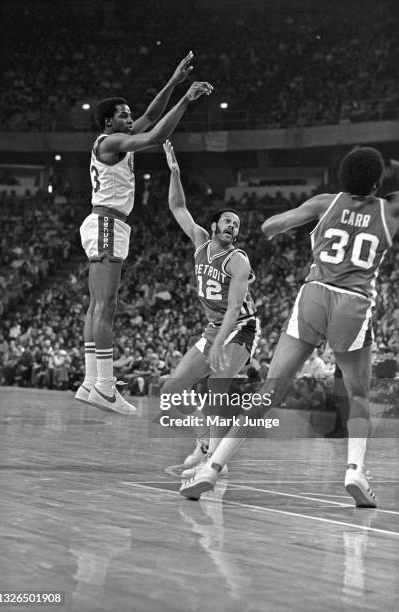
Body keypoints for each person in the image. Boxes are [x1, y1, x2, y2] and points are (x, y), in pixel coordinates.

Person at [180, 146, 399, 507]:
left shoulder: (324, 202)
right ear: (377, 181)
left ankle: (212, 469)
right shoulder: (389, 209)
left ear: (342, 177)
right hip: (353, 302)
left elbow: (270, 226)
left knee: (269, 392)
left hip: (313, 296)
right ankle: (355, 471)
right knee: (358, 395)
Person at [75, 53, 213, 415]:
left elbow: (150, 117)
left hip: (104, 222)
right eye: (123, 114)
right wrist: (186, 98)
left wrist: (173, 80)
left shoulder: (115, 139)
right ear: (109, 121)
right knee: (106, 306)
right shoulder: (110, 141)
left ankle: (92, 382)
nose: (130, 118)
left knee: (98, 305)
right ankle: (105, 387)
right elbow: (157, 132)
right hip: (107, 223)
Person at [161, 140, 261, 475]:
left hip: (240, 327)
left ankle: (214, 462)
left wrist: (219, 343)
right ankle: (205, 442)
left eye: (237, 225)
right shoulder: (200, 243)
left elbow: (234, 309)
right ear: (214, 225)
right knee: (169, 393)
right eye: (228, 222)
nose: (234, 227)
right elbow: (178, 208)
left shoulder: (238, 260)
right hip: (213, 328)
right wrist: (175, 173)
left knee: (217, 386)